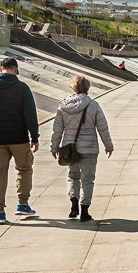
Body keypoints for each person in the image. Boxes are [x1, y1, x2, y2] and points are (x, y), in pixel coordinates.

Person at [0, 56, 39, 224]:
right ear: (16, 69)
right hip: (19, 139)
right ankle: (23, 204)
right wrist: (34, 137)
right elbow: (30, 115)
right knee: (24, 170)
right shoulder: (22, 88)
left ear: (0, 69)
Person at [50, 75, 114, 222]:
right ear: (87, 88)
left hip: (70, 149)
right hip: (89, 148)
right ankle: (85, 211)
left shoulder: (63, 106)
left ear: (73, 87)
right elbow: (103, 128)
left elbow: (57, 130)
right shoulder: (93, 105)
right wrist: (108, 145)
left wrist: (54, 147)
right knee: (88, 179)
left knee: (73, 176)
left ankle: (74, 204)